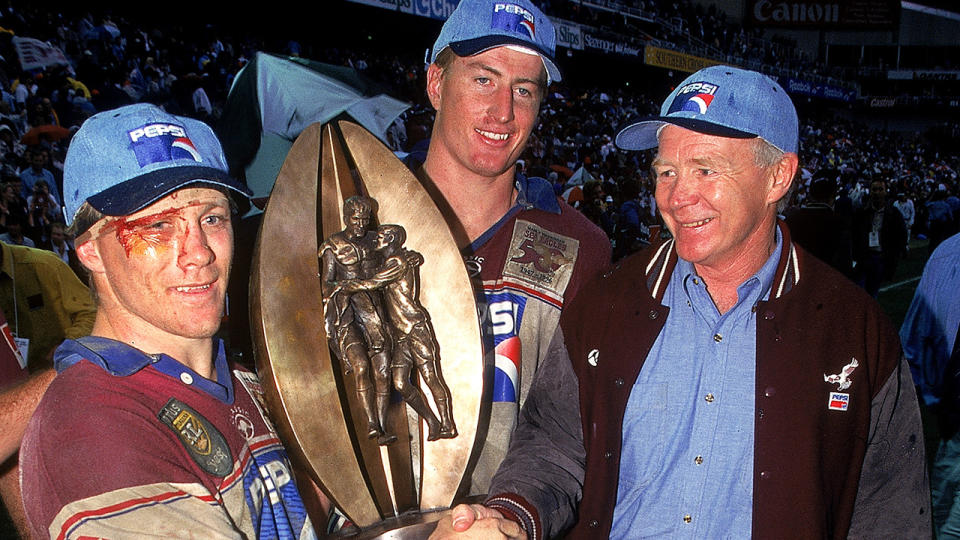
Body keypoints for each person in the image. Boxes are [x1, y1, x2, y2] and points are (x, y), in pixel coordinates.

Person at [433, 66, 929, 539]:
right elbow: (554, 445)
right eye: (666, 171)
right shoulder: (605, 304)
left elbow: (891, 511)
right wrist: (512, 515)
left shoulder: (854, 332)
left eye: (705, 170)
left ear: (778, 177)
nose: (677, 196)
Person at [19, 103, 324, 539]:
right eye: (159, 226)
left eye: (212, 219)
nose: (199, 252)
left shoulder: (243, 382)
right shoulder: (90, 426)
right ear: (89, 250)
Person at [418, 0, 610, 494]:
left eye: (523, 90)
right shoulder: (357, 221)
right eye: (484, 79)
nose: (503, 111)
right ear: (436, 84)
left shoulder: (580, 248)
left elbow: (569, 438)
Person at [318, 195, 394, 445]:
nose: (360, 225)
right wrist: (348, 286)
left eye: (365, 220)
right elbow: (326, 285)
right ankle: (371, 422)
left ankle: (382, 426)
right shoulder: (333, 246)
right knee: (361, 366)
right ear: (345, 218)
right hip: (348, 313)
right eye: (355, 219)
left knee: (383, 372)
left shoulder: (376, 241)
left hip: (376, 313)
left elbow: (394, 261)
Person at [900, 231, 960, 536]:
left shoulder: (949, 252)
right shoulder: (949, 253)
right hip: (952, 417)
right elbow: (913, 338)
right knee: (942, 509)